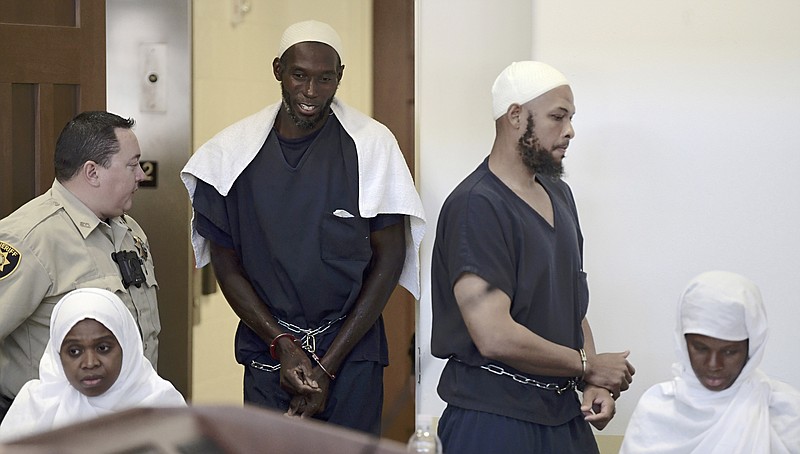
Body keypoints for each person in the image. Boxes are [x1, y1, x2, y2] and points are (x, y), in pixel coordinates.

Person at [180, 20, 425, 435]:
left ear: (339, 76)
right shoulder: (231, 155)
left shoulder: (371, 146)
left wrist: (327, 367)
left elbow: (390, 258)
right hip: (268, 351)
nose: (311, 92)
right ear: (278, 70)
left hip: (352, 353)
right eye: (300, 76)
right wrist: (283, 345)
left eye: (324, 78)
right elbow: (226, 264)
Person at [430, 61, 636, 453]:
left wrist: (592, 383)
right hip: (493, 421)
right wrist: (587, 365)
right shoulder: (476, 205)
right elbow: (493, 335)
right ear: (515, 115)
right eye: (558, 117)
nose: (570, 130)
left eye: (571, 118)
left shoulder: (560, 195)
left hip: (563, 416)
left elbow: (571, 306)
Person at [0, 111, 160, 424]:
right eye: (132, 164)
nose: (141, 175)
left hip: (127, 422)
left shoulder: (130, 231)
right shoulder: (30, 238)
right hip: (53, 430)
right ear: (92, 172)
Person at [619, 271, 800, 453]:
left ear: (752, 347)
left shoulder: (785, 412)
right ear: (683, 343)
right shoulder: (657, 409)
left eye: (729, 352)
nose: (714, 365)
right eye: (701, 348)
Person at [0, 288, 185, 442]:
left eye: (103, 348)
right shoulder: (35, 407)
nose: (90, 363)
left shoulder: (162, 406)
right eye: (74, 351)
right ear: (57, 355)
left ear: (126, 347)